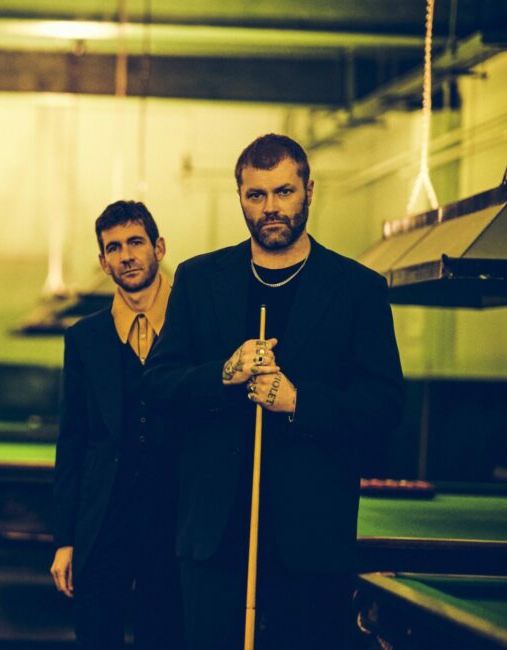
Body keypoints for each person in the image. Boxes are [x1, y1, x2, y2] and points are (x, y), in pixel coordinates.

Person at [142, 134, 404, 649]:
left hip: (310, 542)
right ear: (239, 196)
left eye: (283, 192)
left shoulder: (358, 289)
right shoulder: (198, 279)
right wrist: (224, 372)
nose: (270, 208)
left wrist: (298, 402)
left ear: (309, 190)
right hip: (214, 540)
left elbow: (385, 407)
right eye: (256, 195)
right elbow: (157, 385)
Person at [51, 200, 184, 649]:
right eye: (114, 247)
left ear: (158, 247)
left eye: (135, 242)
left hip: (176, 520)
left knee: (166, 636)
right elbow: (72, 443)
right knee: (95, 636)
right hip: (103, 519)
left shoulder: (196, 323)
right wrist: (64, 540)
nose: (126, 254)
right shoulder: (84, 338)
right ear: (103, 262)